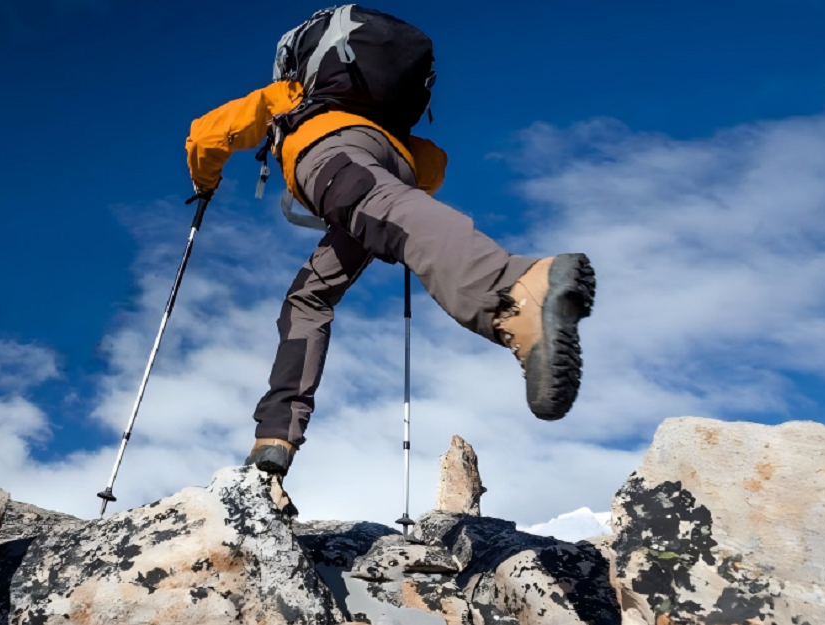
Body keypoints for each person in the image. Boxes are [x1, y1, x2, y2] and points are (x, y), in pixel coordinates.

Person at [183, 5, 596, 476]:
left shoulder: (291, 95)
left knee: (380, 209)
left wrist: (204, 185)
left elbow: (206, 135)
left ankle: (512, 288)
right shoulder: (391, 126)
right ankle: (274, 440)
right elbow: (432, 168)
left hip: (329, 154)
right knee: (308, 297)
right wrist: (396, 173)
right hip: (392, 165)